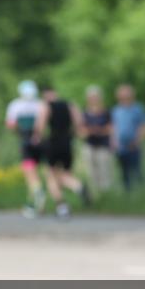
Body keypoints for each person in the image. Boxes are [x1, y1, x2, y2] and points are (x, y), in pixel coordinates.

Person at [33, 85, 89, 219]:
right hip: (67, 142)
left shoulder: (46, 106)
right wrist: (74, 134)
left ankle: (62, 206)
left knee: (51, 175)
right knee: (65, 173)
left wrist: (37, 137)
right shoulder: (70, 105)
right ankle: (77, 186)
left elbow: (40, 125)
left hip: (53, 142)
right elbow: (79, 122)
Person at [6, 80, 46, 217]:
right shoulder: (40, 104)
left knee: (30, 175)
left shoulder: (16, 105)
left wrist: (19, 131)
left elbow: (11, 124)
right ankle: (32, 203)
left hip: (25, 141)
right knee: (37, 173)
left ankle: (38, 194)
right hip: (40, 142)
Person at [111, 84, 145, 191]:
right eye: (122, 94)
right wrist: (114, 141)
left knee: (136, 171)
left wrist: (137, 140)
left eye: (126, 94)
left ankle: (141, 192)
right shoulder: (116, 110)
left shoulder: (138, 109)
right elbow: (114, 127)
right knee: (124, 173)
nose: (124, 96)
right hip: (121, 146)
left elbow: (143, 126)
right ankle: (128, 194)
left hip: (134, 145)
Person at [81, 85, 114, 193]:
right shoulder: (84, 112)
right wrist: (92, 130)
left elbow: (110, 128)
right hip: (89, 144)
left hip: (103, 144)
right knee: (91, 170)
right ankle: (94, 192)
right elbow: (81, 130)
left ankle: (106, 192)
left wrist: (96, 130)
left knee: (104, 168)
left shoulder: (106, 112)